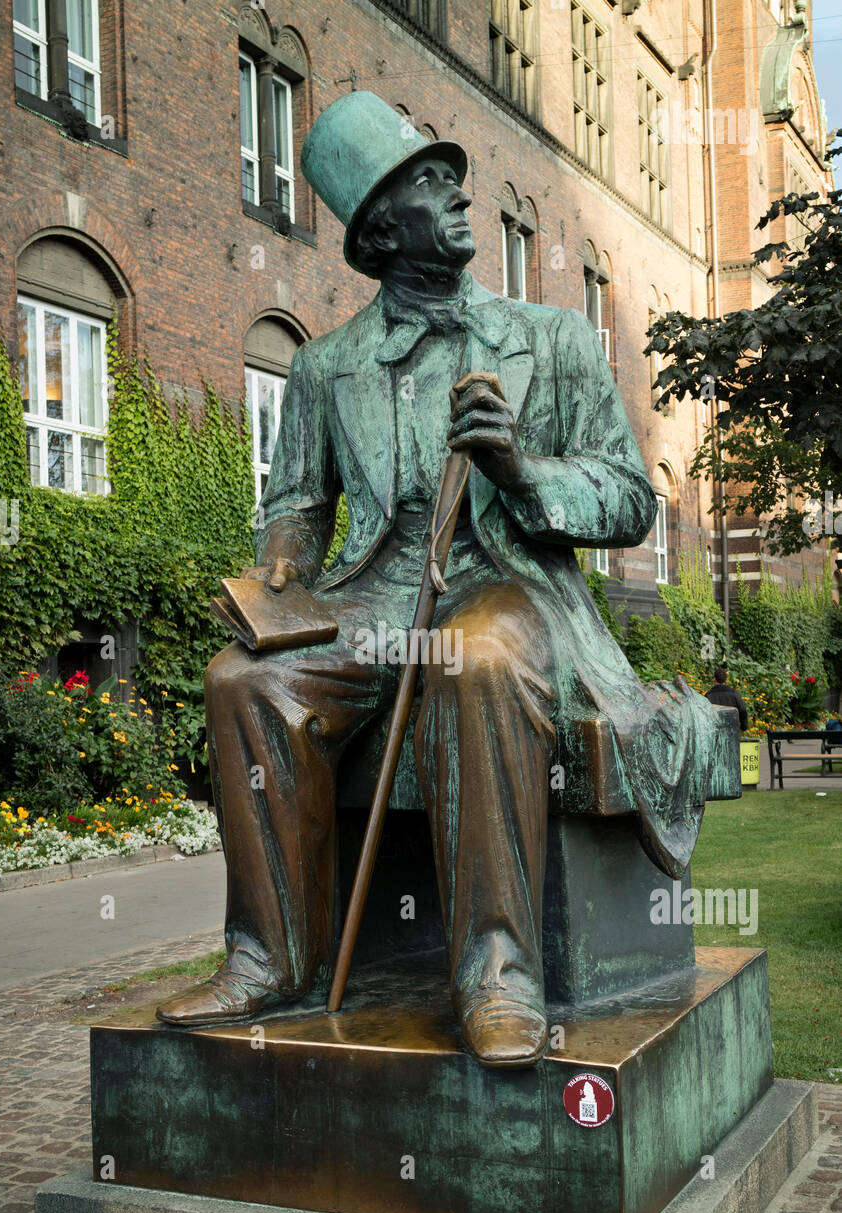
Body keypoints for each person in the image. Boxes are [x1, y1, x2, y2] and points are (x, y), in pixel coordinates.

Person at [156, 91, 721, 1067]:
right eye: (429, 182)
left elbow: (628, 500)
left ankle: (495, 972)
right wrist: (282, 564)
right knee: (240, 679)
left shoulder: (552, 341)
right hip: (371, 599)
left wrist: (518, 472)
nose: (458, 194)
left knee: (477, 654)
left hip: (501, 587)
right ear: (380, 229)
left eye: (451, 176)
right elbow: (294, 500)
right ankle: (271, 959)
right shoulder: (325, 368)